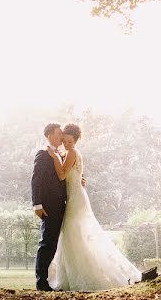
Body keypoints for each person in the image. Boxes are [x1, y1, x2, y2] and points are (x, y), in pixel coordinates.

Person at [45, 123, 143, 291]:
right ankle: (72, 275)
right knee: (74, 236)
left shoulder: (72, 152)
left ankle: (86, 275)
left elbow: (61, 175)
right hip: (75, 197)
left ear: (75, 141)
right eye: (64, 141)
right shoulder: (69, 152)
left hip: (76, 200)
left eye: (69, 141)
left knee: (74, 235)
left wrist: (54, 157)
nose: (66, 144)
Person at [31, 123, 67, 291]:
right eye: (59, 133)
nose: (62, 136)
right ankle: (41, 282)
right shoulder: (43, 154)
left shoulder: (60, 154)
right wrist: (37, 204)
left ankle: (49, 280)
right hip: (48, 206)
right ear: (49, 135)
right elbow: (36, 180)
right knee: (46, 243)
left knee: (54, 244)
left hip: (61, 205)